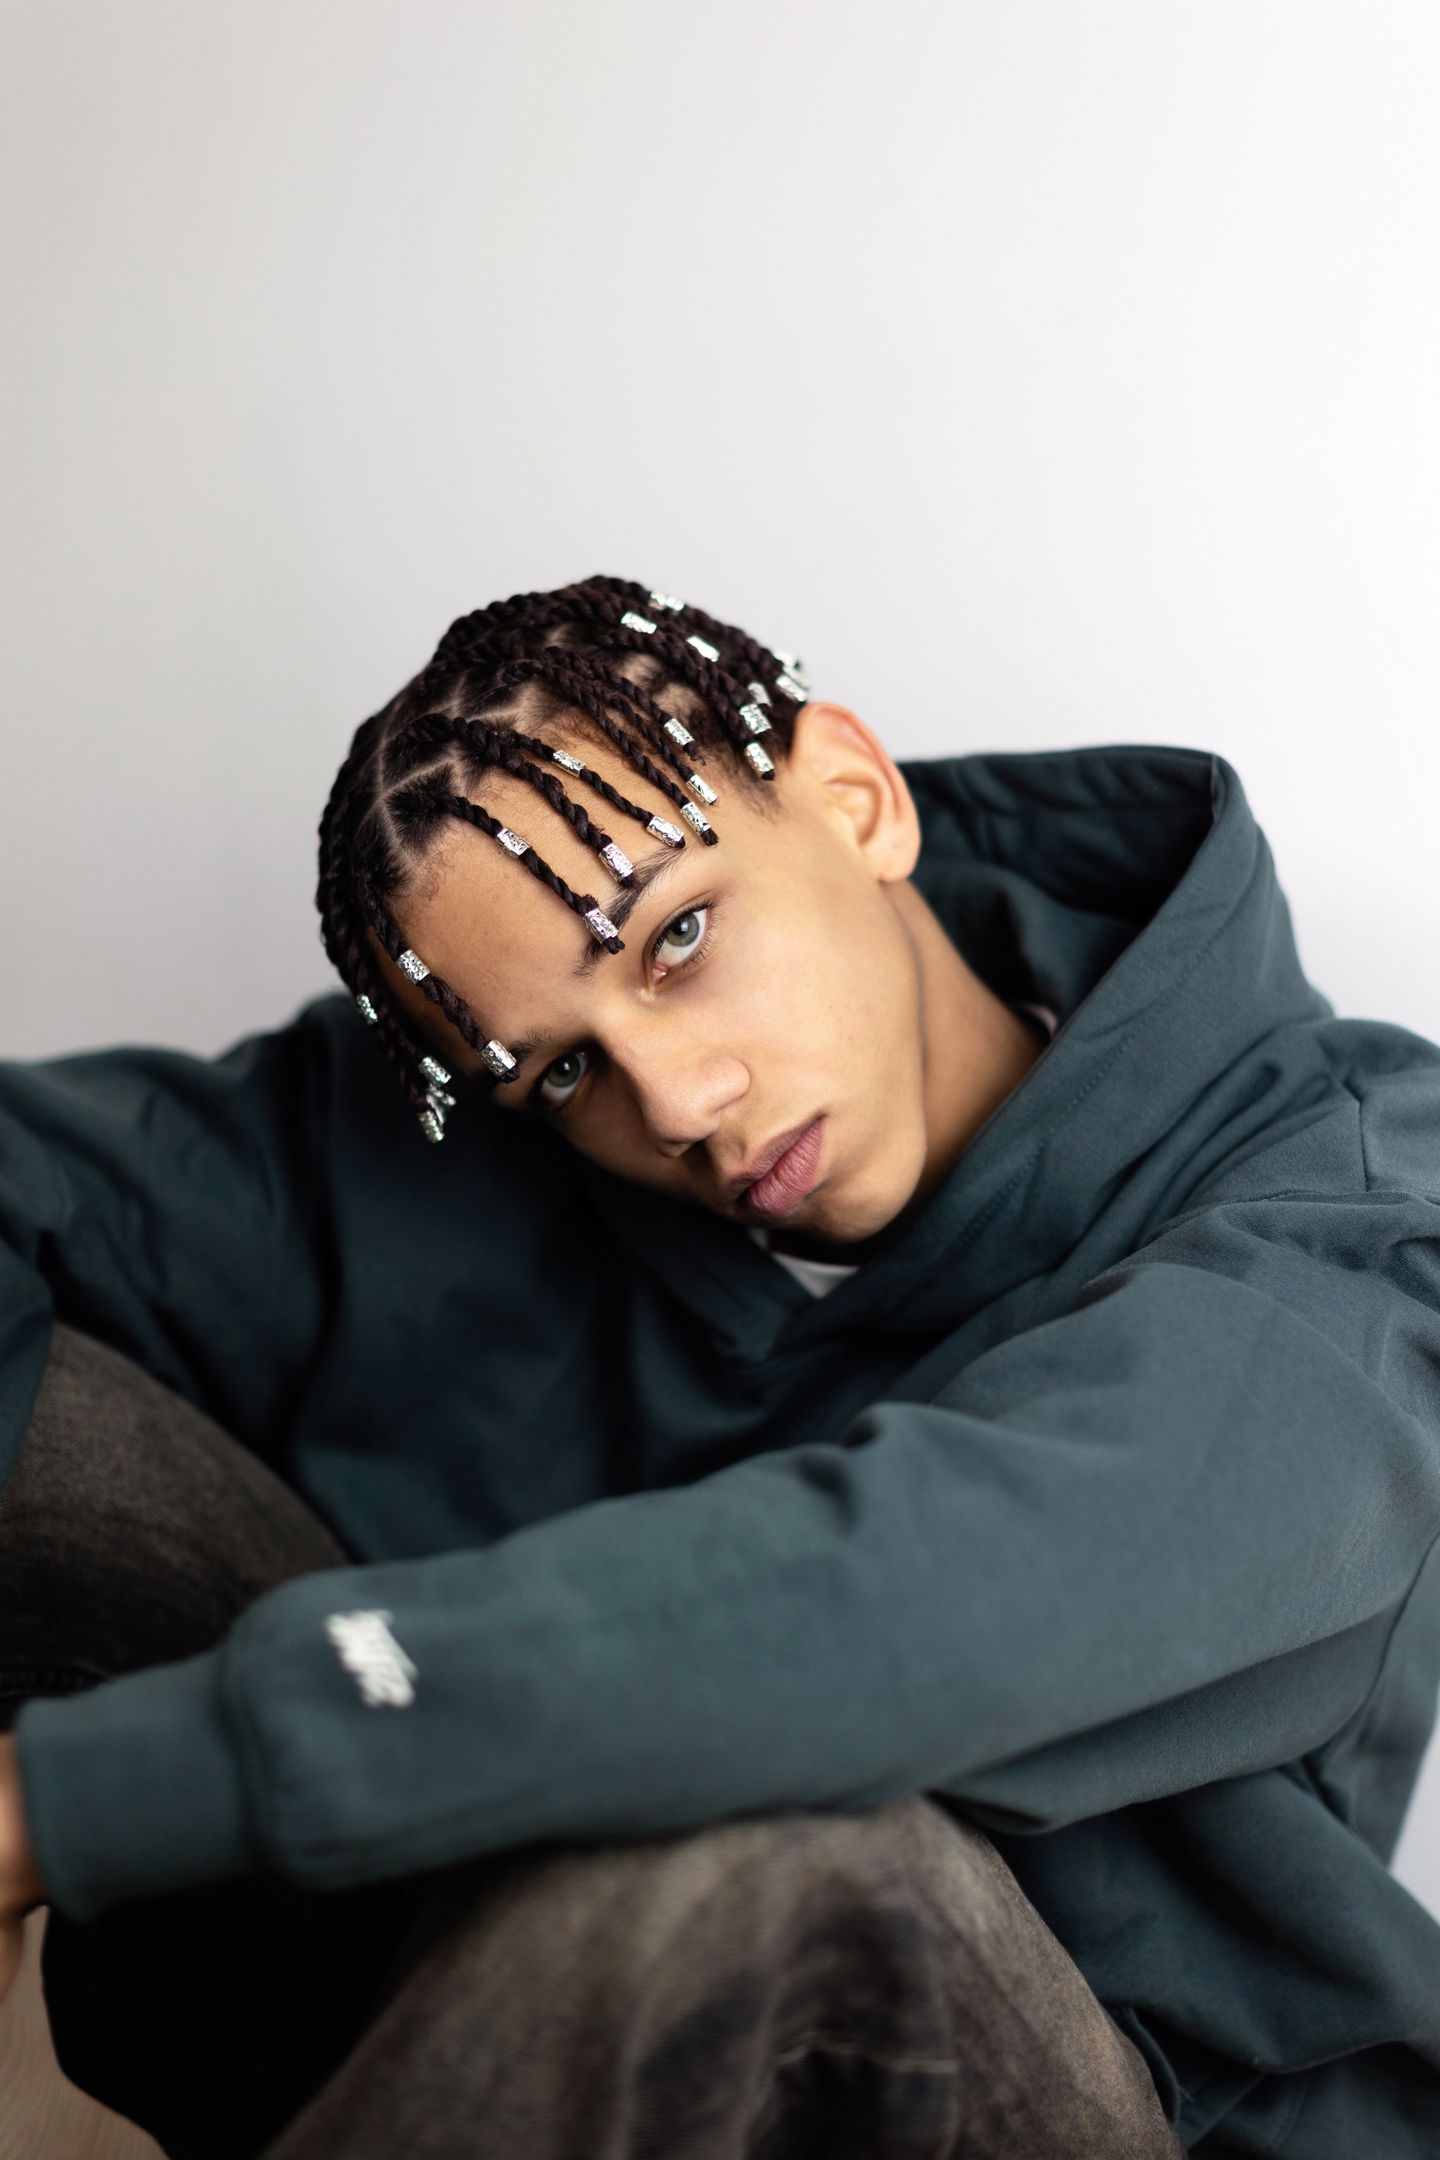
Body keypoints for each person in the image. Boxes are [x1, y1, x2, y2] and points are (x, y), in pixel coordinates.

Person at [0, 572, 1437, 2158]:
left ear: (854, 799)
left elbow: (907, 1611)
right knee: (53, 1440)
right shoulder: (453, 1142)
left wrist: (70, 1802)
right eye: (564, 1071)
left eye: (678, 937)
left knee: (758, 1851)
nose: (676, 1102)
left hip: (1057, 2092)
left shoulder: (1351, 1217)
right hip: (458, 2002)